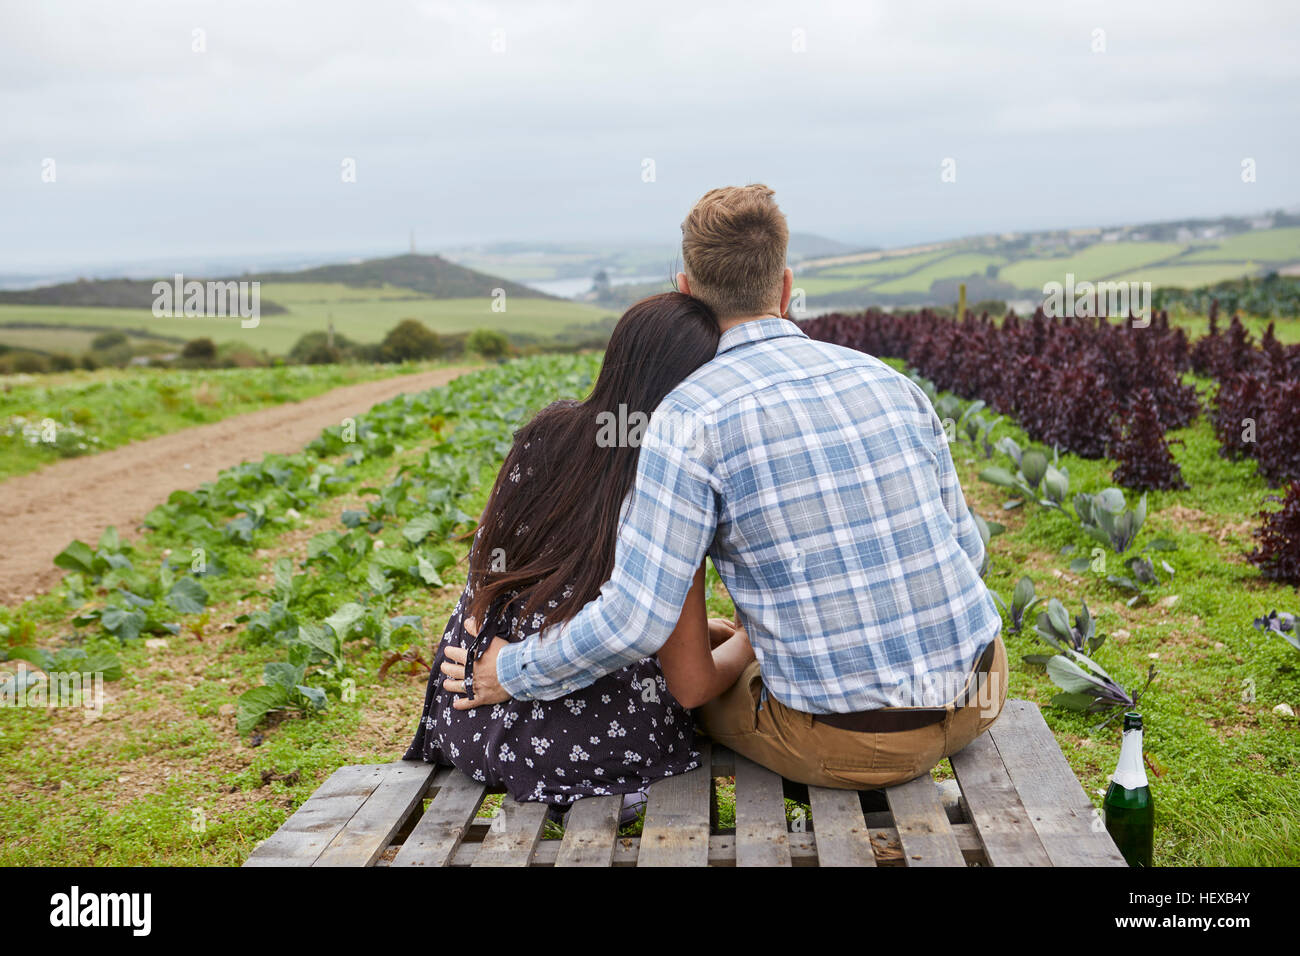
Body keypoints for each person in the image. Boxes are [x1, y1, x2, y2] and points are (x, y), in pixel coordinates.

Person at [441, 184, 1007, 790]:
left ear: (686, 292)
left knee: (677, 691)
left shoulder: (687, 420)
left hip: (857, 745)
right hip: (982, 687)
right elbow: (967, 550)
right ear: (785, 287)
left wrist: (513, 671)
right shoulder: (889, 381)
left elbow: (636, 623)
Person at [403, 292, 756, 812]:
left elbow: (548, 589)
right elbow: (692, 682)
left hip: (468, 717)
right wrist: (752, 641)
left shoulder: (548, 430)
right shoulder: (673, 474)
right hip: (587, 750)